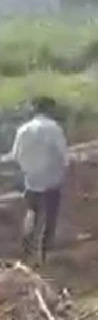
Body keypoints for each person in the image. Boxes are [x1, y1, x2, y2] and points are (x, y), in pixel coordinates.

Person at [6, 96, 68, 263]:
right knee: (50, 215)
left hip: (31, 179)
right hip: (52, 178)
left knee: (32, 211)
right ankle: (44, 252)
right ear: (49, 110)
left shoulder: (23, 130)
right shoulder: (54, 129)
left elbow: (15, 155)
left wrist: (27, 169)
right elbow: (63, 155)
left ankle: (27, 247)